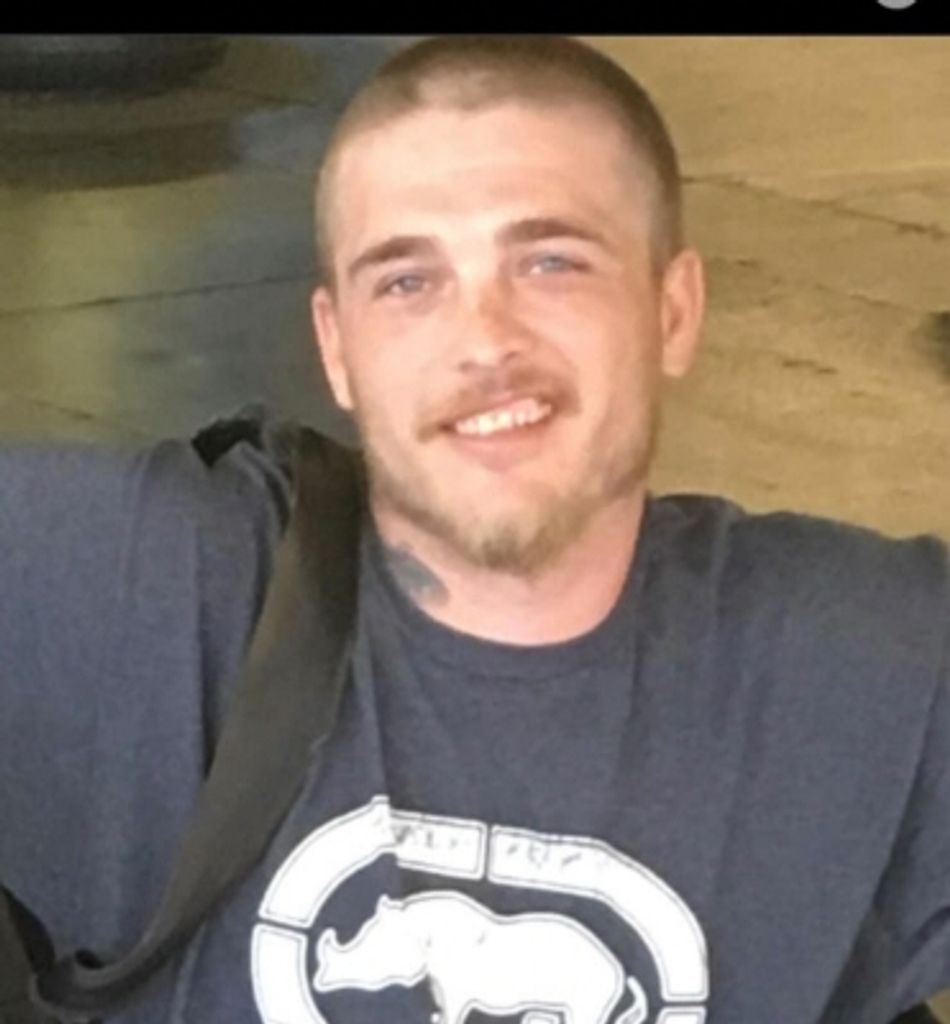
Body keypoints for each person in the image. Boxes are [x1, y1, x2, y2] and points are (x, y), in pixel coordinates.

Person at [1, 34, 948, 1024]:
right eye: (407, 282)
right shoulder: (157, 586)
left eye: (550, 261)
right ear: (336, 348)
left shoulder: (854, 667)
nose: (484, 339)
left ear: (672, 311)